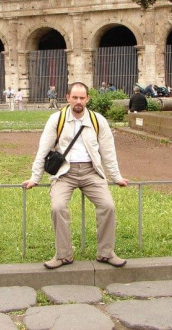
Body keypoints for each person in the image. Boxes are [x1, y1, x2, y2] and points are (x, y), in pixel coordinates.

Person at [22, 82, 129, 269]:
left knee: (108, 206)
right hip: (65, 173)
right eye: (75, 97)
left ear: (88, 99)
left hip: (91, 172)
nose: (78, 101)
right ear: (68, 98)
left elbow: (108, 152)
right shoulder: (57, 119)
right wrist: (34, 178)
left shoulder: (98, 120)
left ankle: (106, 253)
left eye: (82, 98)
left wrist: (116, 176)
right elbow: (43, 150)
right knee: (58, 207)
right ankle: (63, 255)